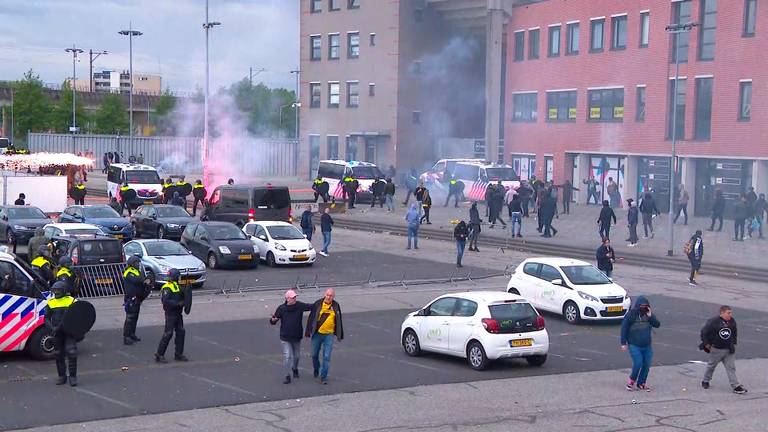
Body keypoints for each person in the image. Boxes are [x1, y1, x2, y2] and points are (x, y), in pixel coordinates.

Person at [699, 305, 748, 394]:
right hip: (717, 349)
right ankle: (705, 381)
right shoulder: (713, 321)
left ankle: (735, 386)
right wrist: (706, 344)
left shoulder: (732, 321)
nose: (730, 315)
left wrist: (734, 343)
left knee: (731, 367)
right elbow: (704, 332)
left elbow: (734, 332)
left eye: (731, 313)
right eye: (728, 313)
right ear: (722, 313)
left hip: (729, 349)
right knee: (711, 366)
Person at [270, 289, 314, 384]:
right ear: (287, 299)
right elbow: (274, 320)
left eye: (295, 297)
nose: (294, 299)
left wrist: (320, 303)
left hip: (296, 336)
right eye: (292, 297)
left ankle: (295, 368)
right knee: (287, 356)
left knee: (297, 356)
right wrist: (273, 320)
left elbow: (311, 306)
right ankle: (287, 375)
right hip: (285, 337)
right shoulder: (281, 309)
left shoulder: (299, 306)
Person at [620, 296, 660, 392]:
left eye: (645, 306)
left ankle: (641, 383)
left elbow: (657, 324)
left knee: (646, 365)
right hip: (634, 344)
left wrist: (650, 316)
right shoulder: (631, 315)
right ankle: (631, 381)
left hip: (647, 345)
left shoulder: (648, 315)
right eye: (641, 306)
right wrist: (623, 343)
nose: (643, 308)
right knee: (638, 363)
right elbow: (624, 328)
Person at [305, 288, 344, 385]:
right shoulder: (318, 304)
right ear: (324, 294)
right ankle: (316, 368)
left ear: (333, 296)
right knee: (314, 355)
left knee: (326, 356)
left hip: (329, 335)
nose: (329, 297)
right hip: (317, 333)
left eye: (331, 295)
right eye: (327, 295)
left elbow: (339, 320)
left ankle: (323, 377)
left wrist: (340, 334)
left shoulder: (336, 305)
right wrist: (308, 331)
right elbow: (311, 318)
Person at [45, 281, 80, 386]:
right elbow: (46, 318)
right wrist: (51, 328)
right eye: (54, 290)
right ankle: (62, 376)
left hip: (69, 332)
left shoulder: (72, 301)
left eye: (58, 290)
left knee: (72, 353)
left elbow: (80, 316)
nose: (56, 292)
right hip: (56, 332)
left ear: (64, 290)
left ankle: (73, 377)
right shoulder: (51, 302)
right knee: (58, 354)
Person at [155, 269, 188, 363]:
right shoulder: (167, 287)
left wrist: (187, 290)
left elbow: (183, 295)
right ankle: (159, 354)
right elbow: (166, 302)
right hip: (170, 314)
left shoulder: (177, 286)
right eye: (178, 276)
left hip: (178, 313)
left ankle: (179, 354)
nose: (179, 278)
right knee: (168, 333)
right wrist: (178, 304)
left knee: (181, 332)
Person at [122, 255, 150, 345]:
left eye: (138, 262)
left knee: (135, 317)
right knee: (130, 318)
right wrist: (144, 279)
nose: (138, 264)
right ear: (131, 263)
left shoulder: (137, 271)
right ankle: (126, 337)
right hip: (131, 299)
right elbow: (136, 280)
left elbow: (142, 280)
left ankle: (132, 334)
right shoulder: (128, 272)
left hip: (137, 298)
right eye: (136, 262)